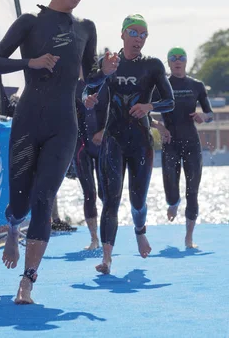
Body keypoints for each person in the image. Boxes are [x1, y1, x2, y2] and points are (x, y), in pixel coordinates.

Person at [0, 0, 117, 304]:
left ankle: (27, 280)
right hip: (28, 121)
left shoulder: (86, 27)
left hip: (64, 125)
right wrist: (31, 62)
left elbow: (89, 79)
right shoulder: (30, 22)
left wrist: (102, 72)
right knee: (19, 202)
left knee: (43, 198)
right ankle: (13, 226)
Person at [84, 14, 174, 274]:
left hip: (140, 141)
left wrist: (149, 106)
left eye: (143, 34)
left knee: (137, 200)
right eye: (133, 33)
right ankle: (107, 258)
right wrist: (90, 96)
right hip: (114, 139)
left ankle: (140, 230)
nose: (138, 39)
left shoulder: (153, 65)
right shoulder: (110, 62)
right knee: (111, 200)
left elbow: (169, 101)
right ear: (122, 34)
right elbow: (88, 85)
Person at [151, 46, 212, 248]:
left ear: (186, 61)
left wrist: (203, 116)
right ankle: (173, 203)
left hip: (192, 142)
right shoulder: (161, 86)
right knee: (171, 190)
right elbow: (142, 111)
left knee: (192, 190)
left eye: (181, 58)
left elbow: (209, 113)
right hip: (170, 143)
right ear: (168, 63)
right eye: (173, 58)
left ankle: (189, 238)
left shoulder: (196, 85)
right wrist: (159, 126)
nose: (177, 61)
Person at [74, 68, 108, 249]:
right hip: (81, 147)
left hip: (103, 145)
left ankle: (107, 235)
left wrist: (104, 131)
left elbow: (117, 110)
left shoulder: (105, 84)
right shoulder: (72, 86)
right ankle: (94, 238)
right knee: (89, 193)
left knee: (105, 193)